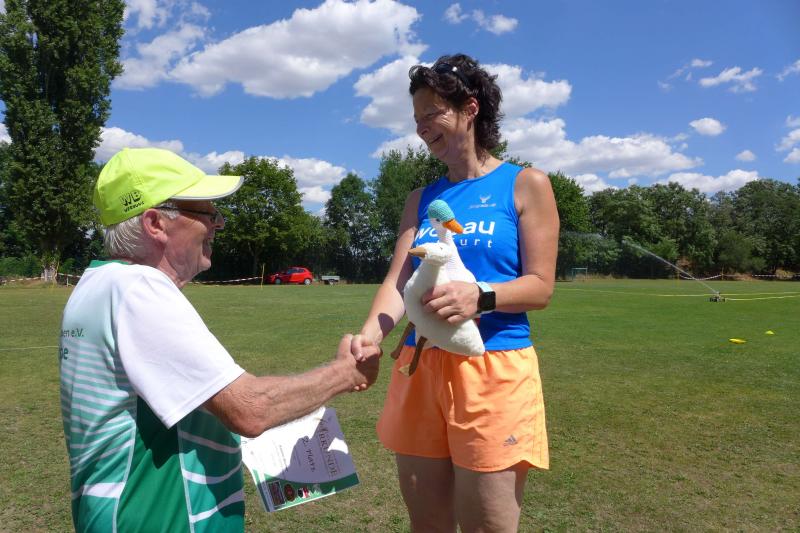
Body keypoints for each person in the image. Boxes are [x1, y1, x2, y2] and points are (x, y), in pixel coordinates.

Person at [59, 147, 381, 532]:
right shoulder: (138, 288)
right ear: (155, 222)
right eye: (207, 214)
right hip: (159, 521)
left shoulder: (96, 284)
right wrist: (347, 373)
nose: (219, 225)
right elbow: (249, 409)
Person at [351, 53, 559, 532]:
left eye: (432, 113)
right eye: (416, 118)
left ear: (470, 109)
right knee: (427, 525)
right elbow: (398, 281)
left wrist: (480, 295)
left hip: (493, 367)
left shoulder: (525, 184)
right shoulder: (420, 199)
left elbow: (541, 286)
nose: (421, 128)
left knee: (488, 526)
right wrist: (369, 338)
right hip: (418, 365)